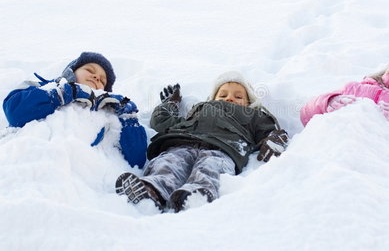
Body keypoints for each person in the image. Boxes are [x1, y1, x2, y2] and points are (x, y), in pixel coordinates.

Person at [115, 71, 289, 212]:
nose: (230, 98)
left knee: (211, 166)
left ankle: (197, 193)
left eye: (238, 96)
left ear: (249, 102)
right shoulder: (198, 110)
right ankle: (153, 188)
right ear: (212, 98)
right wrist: (171, 103)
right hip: (182, 142)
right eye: (223, 94)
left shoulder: (253, 115)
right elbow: (161, 122)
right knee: (169, 162)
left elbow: (269, 129)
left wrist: (275, 138)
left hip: (223, 149)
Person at [2, 52, 147, 168]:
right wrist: (61, 94)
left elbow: (136, 161)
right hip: (27, 166)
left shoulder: (108, 115)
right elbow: (14, 112)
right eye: (90, 70)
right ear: (71, 71)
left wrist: (128, 118)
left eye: (103, 81)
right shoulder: (44, 88)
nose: (97, 77)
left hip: (74, 189)